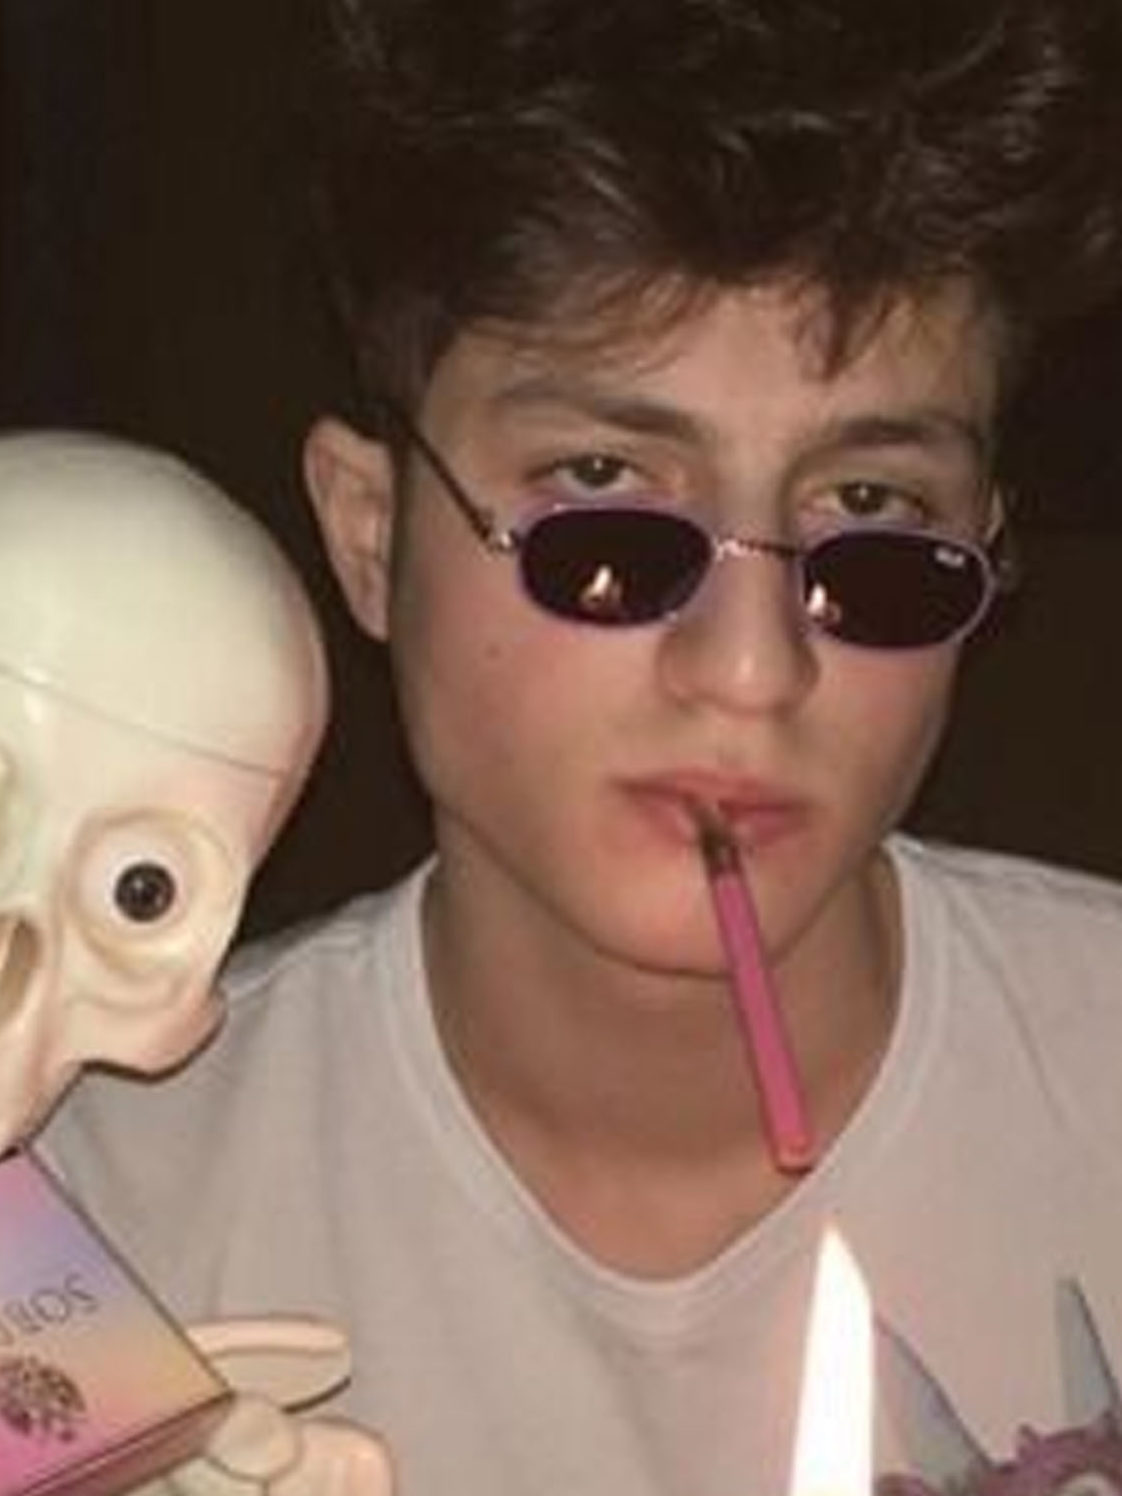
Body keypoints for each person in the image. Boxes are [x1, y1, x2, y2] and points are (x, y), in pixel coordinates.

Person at [41, 1, 1122, 1492]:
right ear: (373, 537)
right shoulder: (83, 1229)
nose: (750, 669)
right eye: (603, 499)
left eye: (874, 517)